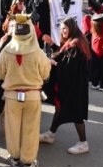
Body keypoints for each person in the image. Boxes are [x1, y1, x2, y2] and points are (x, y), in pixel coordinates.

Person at [0, 13, 51, 167]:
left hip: (12, 96)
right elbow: (46, 73)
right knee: (31, 129)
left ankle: (14, 157)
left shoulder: (7, 50)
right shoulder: (38, 53)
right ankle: (28, 161)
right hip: (33, 96)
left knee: (12, 128)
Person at [38, 17, 91, 154]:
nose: (63, 31)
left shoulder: (76, 45)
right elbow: (64, 55)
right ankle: (51, 134)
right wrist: (53, 44)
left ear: (72, 27)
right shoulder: (74, 41)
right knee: (60, 108)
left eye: (65, 28)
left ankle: (83, 143)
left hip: (75, 87)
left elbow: (69, 67)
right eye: (61, 28)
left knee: (76, 114)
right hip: (73, 84)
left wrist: (53, 63)